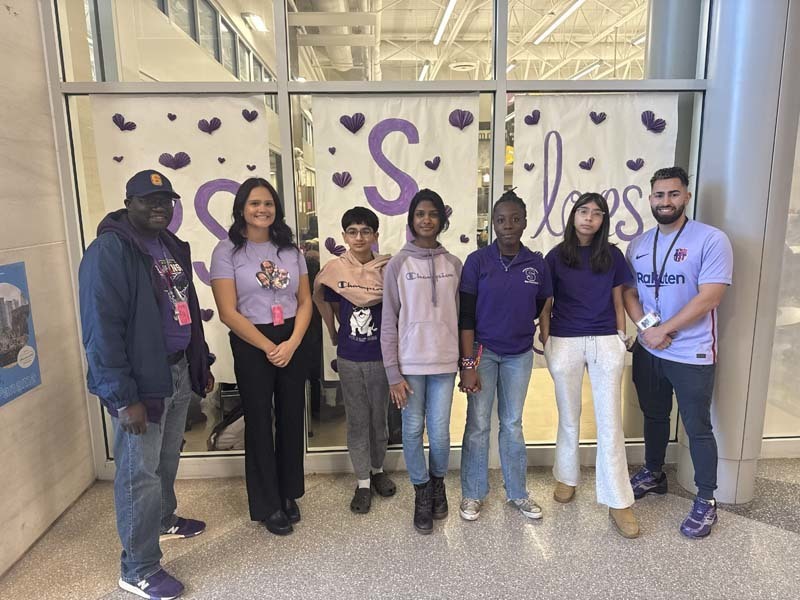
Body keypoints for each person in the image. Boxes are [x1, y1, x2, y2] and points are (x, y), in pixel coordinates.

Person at [79, 169, 213, 600]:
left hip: (175, 370)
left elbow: (185, 307)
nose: (160, 208)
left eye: (166, 201)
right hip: (141, 382)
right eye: (149, 201)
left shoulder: (169, 245)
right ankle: (137, 568)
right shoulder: (110, 251)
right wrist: (123, 398)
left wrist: (199, 362)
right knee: (139, 474)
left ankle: (164, 519)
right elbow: (101, 330)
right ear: (128, 202)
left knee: (166, 459)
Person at [623, 166, 733, 538]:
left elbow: (711, 297)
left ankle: (706, 499)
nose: (665, 201)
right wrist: (646, 331)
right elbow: (630, 293)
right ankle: (654, 473)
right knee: (654, 416)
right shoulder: (638, 244)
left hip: (691, 353)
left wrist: (664, 331)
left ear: (686, 196)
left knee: (697, 426)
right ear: (650, 198)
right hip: (650, 348)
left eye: (673, 194)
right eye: (658, 195)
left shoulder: (711, 240)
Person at [210, 177, 312, 536]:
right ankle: (267, 503)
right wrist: (268, 347)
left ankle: (288, 493)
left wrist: (293, 341)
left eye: (268, 203)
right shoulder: (226, 252)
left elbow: (305, 301)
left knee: (290, 416)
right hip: (252, 340)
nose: (262, 209)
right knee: (258, 419)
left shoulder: (291, 251)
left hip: (291, 339)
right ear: (241, 208)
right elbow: (227, 311)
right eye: (255, 203)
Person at [538, 192, 639, 538]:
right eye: (584, 211)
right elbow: (546, 302)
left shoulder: (610, 255)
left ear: (602, 221)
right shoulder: (555, 256)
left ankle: (618, 500)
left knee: (610, 423)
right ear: (573, 215)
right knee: (568, 416)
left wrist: (619, 336)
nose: (589, 218)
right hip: (564, 341)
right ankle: (566, 477)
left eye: (597, 214)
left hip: (603, 340)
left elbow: (618, 297)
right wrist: (548, 337)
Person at [458, 189, 552, 522]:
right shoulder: (477, 261)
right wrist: (468, 364)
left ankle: (517, 493)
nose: (507, 226)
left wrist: (534, 329)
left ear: (525, 223)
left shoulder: (536, 264)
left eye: (514, 219)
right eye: (500, 220)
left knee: (512, 424)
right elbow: (465, 316)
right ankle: (472, 493)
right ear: (492, 224)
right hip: (483, 351)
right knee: (478, 424)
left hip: (519, 355)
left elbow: (543, 303)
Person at [381, 189, 462, 534]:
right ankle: (421, 492)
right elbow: (388, 321)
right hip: (409, 367)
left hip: (444, 363)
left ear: (441, 219)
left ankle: (438, 483)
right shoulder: (398, 264)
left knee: (441, 433)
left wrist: (468, 362)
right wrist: (392, 373)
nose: (426, 220)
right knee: (412, 431)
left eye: (432, 214)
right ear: (411, 220)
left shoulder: (454, 264)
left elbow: (464, 318)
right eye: (419, 214)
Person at [313, 206, 397, 514]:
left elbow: (398, 310)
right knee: (358, 421)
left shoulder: (389, 269)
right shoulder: (336, 271)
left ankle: (377, 470)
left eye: (365, 231)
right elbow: (329, 305)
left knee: (380, 419)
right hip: (350, 358)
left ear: (376, 235)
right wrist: (335, 335)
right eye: (352, 231)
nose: (359, 237)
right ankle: (362, 481)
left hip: (380, 358)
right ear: (344, 236)